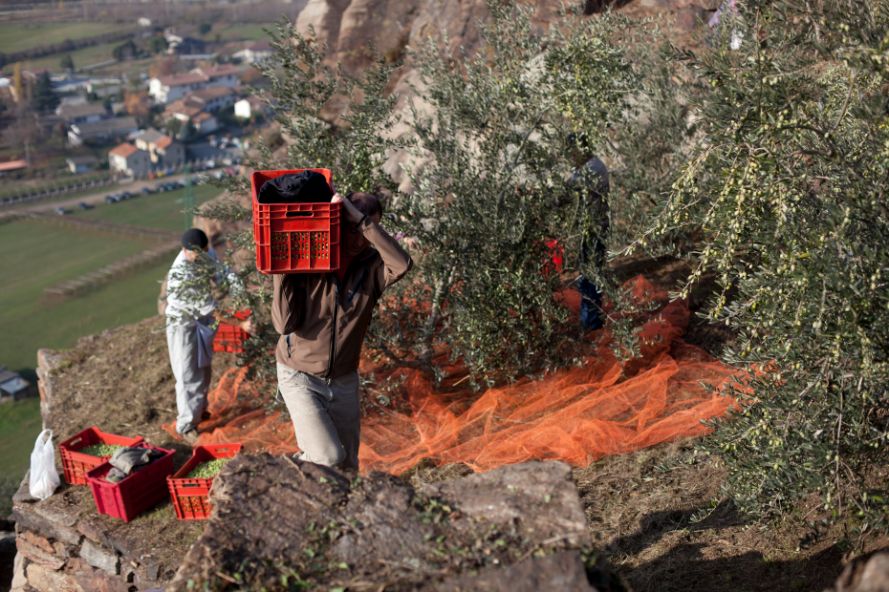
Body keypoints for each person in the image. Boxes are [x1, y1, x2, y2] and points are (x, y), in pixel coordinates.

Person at [272, 192, 412, 470]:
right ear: (337, 223)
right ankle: (286, 472)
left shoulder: (373, 266)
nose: (358, 239)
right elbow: (283, 324)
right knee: (327, 456)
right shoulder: (312, 257)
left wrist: (361, 221)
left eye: (364, 230)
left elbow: (402, 265)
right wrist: (283, 271)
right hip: (300, 375)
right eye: (351, 229)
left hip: (344, 379)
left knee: (347, 465)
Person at [164, 228, 249, 444]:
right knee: (187, 374)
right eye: (196, 254)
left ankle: (199, 411)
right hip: (182, 325)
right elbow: (212, 309)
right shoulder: (182, 275)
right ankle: (186, 426)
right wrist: (241, 323)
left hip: (200, 320)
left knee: (204, 368)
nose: (200, 256)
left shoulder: (204, 253)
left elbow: (221, 273)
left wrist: (239, 290)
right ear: (185, 251)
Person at [567, 135, 610, 331]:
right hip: (590, 230)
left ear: (581, 149)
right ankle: (590, 322)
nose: (569, 156)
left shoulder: (593, 168)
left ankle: (591, 325)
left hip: (595, 230)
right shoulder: (585, 167)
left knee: (591, 277)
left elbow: (568, 189)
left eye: (572, 151)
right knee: (587, 276)